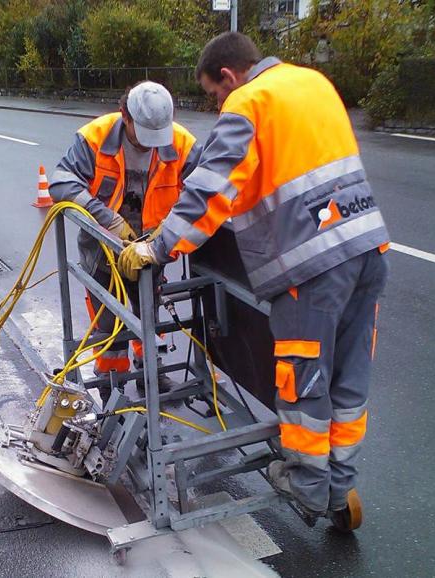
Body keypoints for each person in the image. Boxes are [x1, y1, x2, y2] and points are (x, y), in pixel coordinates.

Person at [118, 33, 389, 519]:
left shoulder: (251, 99)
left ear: (229, 76)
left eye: (215, 95)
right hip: (368, 248)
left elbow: (211, 190)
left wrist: (157, 248)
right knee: (350, 379)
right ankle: (338, 486)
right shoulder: (313, 81)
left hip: (312, 267)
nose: (219, 105)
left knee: (303, 383)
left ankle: (308, 490)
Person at [49, 81, 201, 404]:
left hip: (150, 250)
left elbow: (205, 191)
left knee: (149, 309)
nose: (149, 147)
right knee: (107, 318)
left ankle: (151, 373)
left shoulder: (181, 143)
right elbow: (61, 182)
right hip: (103, 249)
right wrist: (109, 220)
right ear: (125, 116)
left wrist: (166, 235)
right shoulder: (95, 137)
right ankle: (111, 380)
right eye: (142, 136)